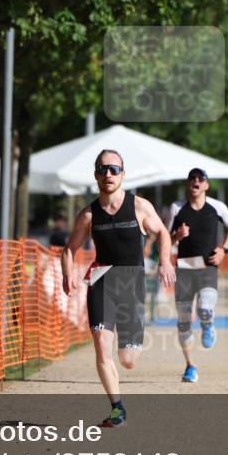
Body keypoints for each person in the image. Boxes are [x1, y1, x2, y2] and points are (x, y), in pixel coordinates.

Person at [62, 149, 175, 427]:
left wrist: (164, 261)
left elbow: (162, 233)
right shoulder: (88, 215)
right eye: (102, 169)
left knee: (128, 360)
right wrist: (67, 272)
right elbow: (69, 249)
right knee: (101, 344)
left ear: (123, 174)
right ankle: (117, 408)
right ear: (96, 174)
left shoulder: (140, 207)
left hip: (132, 281)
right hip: (101, 279)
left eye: (114, 169)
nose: (108, 175)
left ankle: (130, 351)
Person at [167, 168, 228, 383]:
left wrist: (224, 250)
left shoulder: (218, 207)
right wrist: (176, 236)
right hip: (185, 265)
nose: (196, 182)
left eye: (201, 179)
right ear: (188, 184)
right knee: (184, 320)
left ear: (206, 185)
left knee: (205, 308)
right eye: (192, 178)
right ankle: (190, 366)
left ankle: (208, 324)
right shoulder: (176, 208)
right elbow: (165, 239)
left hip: (207, 265)